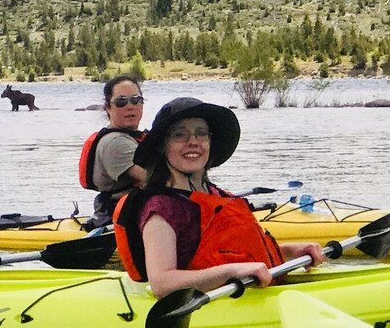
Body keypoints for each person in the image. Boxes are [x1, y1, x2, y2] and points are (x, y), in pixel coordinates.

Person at [114, 97, 324, 299]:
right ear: (162, 146)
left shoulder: (218, 196)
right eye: (180, 135)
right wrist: (229, 272)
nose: (193, 142)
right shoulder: (161, 209)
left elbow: (241, 255)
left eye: (201, 133)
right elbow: (162, 283)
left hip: (253, 296)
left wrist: (288, 252)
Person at [79, 74, 149, 231]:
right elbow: (158, 180)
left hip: (134, 215)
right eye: (121, 101)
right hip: (121, 222)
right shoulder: (115, 143)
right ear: (108, 107)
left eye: (136, 100)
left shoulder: (133, 138)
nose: (130, 106)